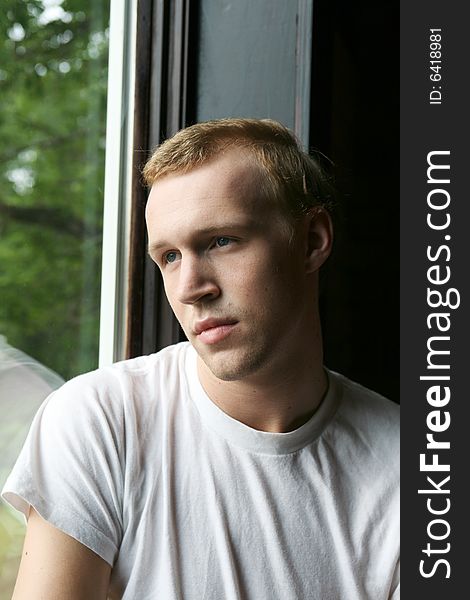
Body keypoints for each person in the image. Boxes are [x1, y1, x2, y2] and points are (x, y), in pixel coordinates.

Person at [2, 118, 399, 599]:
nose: (191, 288)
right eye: (169, 257)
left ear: (313, 239)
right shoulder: (101, 420)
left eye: (221, 241)